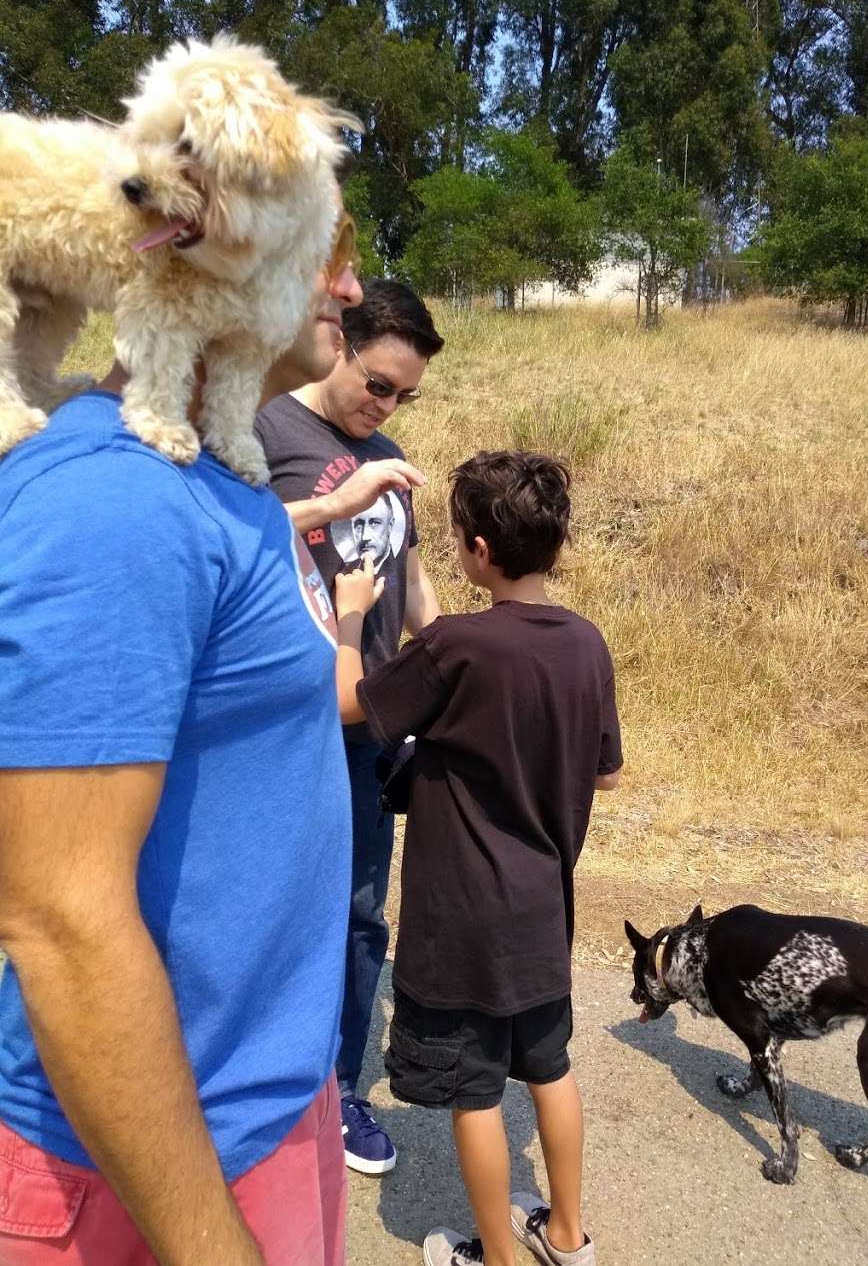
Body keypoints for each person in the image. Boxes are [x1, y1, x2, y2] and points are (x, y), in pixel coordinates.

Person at [0, 212, 365, 1266]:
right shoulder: (117, 501)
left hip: (257, 1108)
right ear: (222, 260)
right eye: (329, 257)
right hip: (137, 1167)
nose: (347, 291)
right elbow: (59, 919)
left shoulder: (223, 480)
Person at [334, 451, 623, 1266]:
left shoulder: (459, 646)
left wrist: (354, 616)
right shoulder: (585, 643)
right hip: (543, 906)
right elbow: (606, 766)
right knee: (550, 1067)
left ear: (480, 549)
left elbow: (351, 700)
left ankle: (493, 1254)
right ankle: (567, 1235)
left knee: (474, 1090)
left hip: (461, 920)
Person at [255, 278, 444, 1177]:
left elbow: (408, 577)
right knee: (270, 907)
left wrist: (454, 657)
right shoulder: (264, 428)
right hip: (280, 723)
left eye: (404, 393)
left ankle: (339, 1090)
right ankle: (256, 1085)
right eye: (377, 382)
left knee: (363, 917)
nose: (387, 404)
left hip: (370, 723)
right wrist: (334, 502)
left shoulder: (391, 446)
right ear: (338, 344)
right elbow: (226, 534)